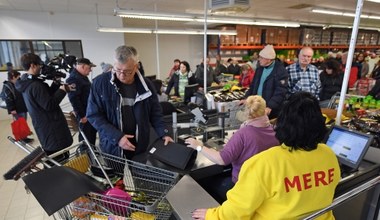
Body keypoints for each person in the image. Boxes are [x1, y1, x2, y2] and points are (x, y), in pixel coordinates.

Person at [192, 91, 341, 220]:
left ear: (282, 124)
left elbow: (236, 212)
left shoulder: (263, 163)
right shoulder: (328, 154)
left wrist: (213, 215)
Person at [185, 95, 278, 202]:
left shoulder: (243, 133)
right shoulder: (272, 131)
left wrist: (199, 146)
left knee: (204, 182)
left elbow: (221, 159)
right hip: (264, 187)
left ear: (246, 112)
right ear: (265, 110)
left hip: (241, 188)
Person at [87, 46, 173, 159]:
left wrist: (164, 133)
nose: (122, 75)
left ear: (136, 66)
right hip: (112, 145)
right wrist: (117, 137)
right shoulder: (100, 84)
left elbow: (155, 113)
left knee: (139, 175)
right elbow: (94, 115)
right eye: (118, 70)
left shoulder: (146, 86)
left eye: (127, 71)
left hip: (140, 146)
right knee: (116, 176)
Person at [15, 53, 73, 157]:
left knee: (52, 157)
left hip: (45, 127)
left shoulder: (27, 83)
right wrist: (62, 90)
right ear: (33, 65)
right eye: (39, 65)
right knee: (59, 159)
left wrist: (55, 84)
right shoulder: (35, 85)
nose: (41, 68)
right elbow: (49, 104)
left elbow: (45, 97)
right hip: (52, 129)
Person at [242, 44, 288, 119]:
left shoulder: (281, 71)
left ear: (269, 59)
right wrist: (246, 97)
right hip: (257, 106)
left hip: (271, 111)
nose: (259, 59)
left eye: (261, 58)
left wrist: (270, 106)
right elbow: (253, 86)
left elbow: (280, 92)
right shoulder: (259, 69)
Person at [66, 58, 98, 151]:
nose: (91, 70)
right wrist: (81, 115)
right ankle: (85, 156)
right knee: (86, 137)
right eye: (89, 67)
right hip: (84, 114)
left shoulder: (82, 76)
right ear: (83, 66)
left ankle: (92, 153)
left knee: (91, 134)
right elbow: (74, 99)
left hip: (89, 112)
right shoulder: (74, 78)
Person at [2, 70, 33, 142]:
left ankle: (24, 136)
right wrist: (12, 109)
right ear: (13, 77)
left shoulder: (14, 84)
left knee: (22, 123)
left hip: (21, 108)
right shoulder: (7, 86)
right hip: (16, 109)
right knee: (19, 124)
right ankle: (22, 138)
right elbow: (8, 99)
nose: (19, 80)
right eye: (18, 78)